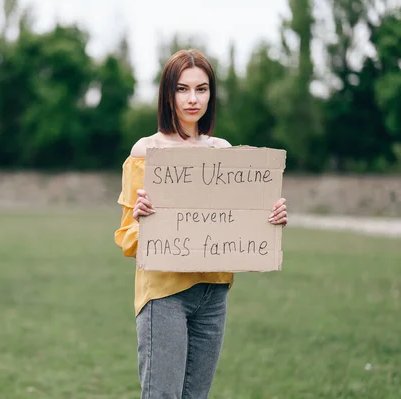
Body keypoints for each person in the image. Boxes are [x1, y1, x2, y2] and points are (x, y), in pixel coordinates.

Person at [114, 49, 288, 399]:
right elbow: (126, 238)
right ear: (168, 93)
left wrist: (270, 220)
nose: (192, 98)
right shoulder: (146, 151)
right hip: (164, 295)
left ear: (211, 94)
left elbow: (240, 224)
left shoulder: (223, 152)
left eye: (202, 88)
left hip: (214, 293)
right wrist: (140, 218)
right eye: (182, 89)